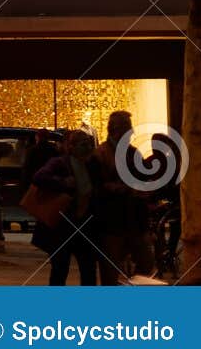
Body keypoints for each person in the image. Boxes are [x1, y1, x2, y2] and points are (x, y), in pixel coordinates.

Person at [31, 130, 103, 285]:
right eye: (83, 143)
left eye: (89, 143)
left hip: (84, 225)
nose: (87, 147)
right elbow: (39, 177)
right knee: (60, 268)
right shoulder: (60, 163)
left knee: (88, 269)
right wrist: (62, 182)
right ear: (71, 146)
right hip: (63, 226)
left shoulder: (92, 165)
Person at [95, 110, 150, 282]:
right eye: (127, 128)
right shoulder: (101, 154)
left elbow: (143, 180)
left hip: (132, 219)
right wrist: (115, 188)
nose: (132, 132)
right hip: (112, 221)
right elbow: (96, 187)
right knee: (111, 270)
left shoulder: (133, 153)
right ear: (116, 130)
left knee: (145, 264)